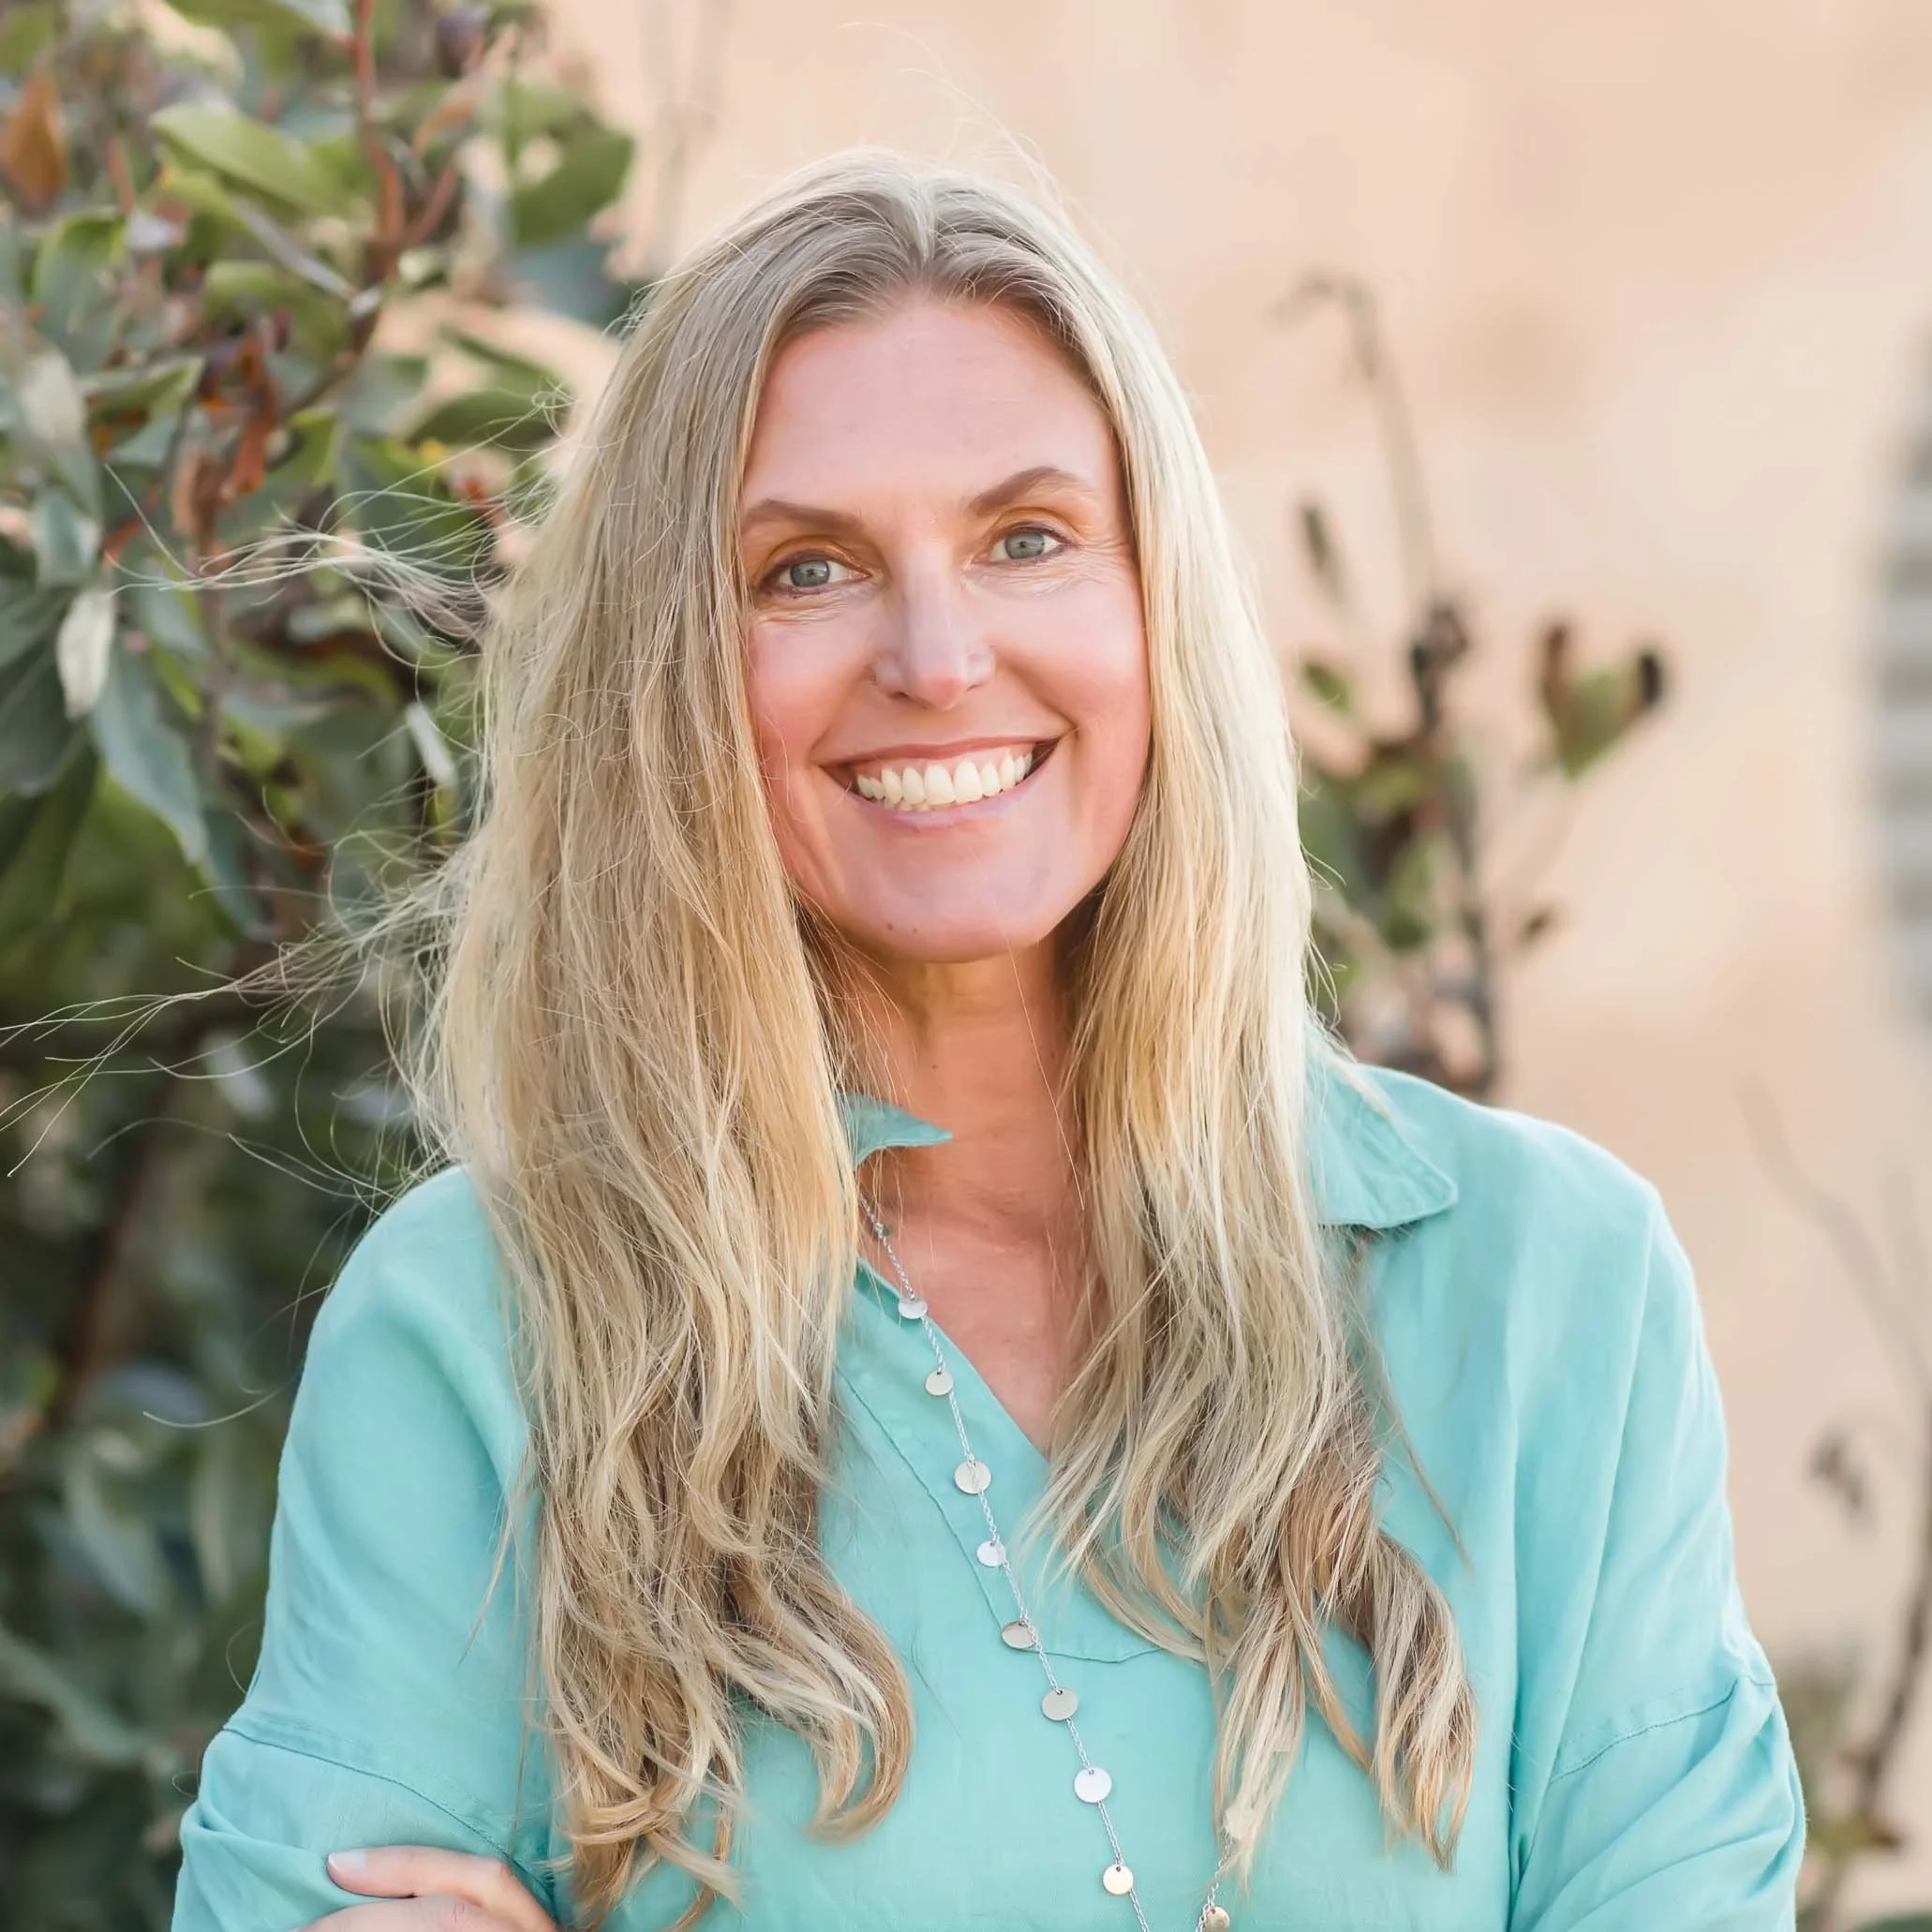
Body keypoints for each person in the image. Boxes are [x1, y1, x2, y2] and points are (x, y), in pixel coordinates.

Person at [170, 151, 1805, 1932]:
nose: (939, 656)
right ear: (671, 674)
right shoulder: (483, 1334)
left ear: (1150, 604)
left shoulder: (1550, 1287)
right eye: (806, 570)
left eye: (1027, 538)